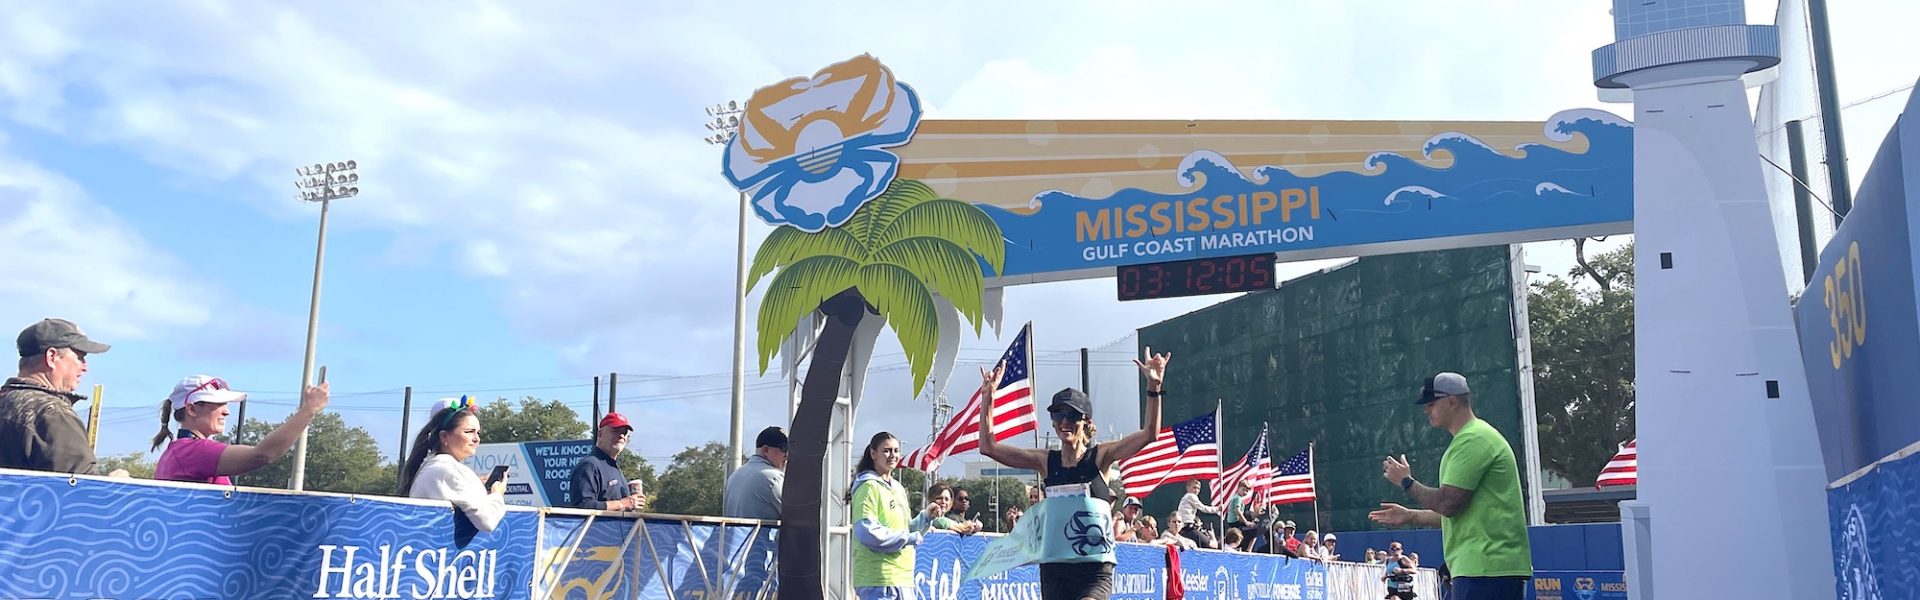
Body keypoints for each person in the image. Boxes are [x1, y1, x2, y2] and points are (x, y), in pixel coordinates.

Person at [978, 346, 1172, 600]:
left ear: (1086, 421)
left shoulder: (1100, 456)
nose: (1064, 422)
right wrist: (988, 397)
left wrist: (1154, 388)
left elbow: (1149, 434)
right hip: (1056, 569)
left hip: (1094, 569)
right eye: (1058, 414)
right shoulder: (1046, 461)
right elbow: (988, 447)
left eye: (1071, 415)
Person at [1371, 372, 1534, 600]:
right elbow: (1460, 513)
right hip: (1485, 567)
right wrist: (1411, 516)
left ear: (1451, 401)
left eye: (1431, 403)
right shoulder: (1471, 438)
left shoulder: (1474, 439)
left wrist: (1406, 482)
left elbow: (1448, 504)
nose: (1426, 410)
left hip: (1488, 568)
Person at [151, 375, 330, 484]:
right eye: (218, 404)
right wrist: (309, 410)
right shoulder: (192, 451)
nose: (226, 411)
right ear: (191, 409)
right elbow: (262, 455)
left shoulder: (178, 450)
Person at [0, 318, 109, 474]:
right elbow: (81, 485)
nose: (85, 367)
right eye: (79, 357)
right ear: (51, 357)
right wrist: (117, 481)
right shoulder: (52, 414)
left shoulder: (5, 403)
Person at [398, 396, 507, 532]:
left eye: (478, 433)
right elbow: (487, 521)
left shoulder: (435, 466)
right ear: (444, 436)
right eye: (469, 432)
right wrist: (497, 495)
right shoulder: (446, 469)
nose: (476, 439)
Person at [851, 431, 920, 600]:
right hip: (879, 579)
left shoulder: (898, 488)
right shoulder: (868, 486)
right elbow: (866, 532)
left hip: (903, 578)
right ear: (873, 453)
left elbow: (906, 529)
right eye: (887, 451)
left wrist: (927, 518)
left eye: (896, 451)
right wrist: (907, 539)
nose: (893, 455)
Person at [566, 412, 647, 511]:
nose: (621, 436)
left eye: (625, 433)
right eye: (615, 431)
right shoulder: (590, 466)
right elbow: (582, 506)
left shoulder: (614, 467)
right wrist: (622, 504)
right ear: (600, 434)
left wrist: (631, 502)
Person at [722, 425, 787, 520]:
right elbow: (800, 517)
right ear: (766, 450)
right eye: (784, 449)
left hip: (733, 529)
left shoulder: (735, 475)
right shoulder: (774, 478)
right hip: (760, 530)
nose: (787, 455)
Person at [911, 483, 980, 534]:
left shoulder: (946, 519)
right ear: (930, 499)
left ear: (951, 503)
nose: (943, 502)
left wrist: (974, 528)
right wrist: (963, 527)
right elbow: (940, 522)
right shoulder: (925, 515)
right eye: (939, 498)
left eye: (947, 499)